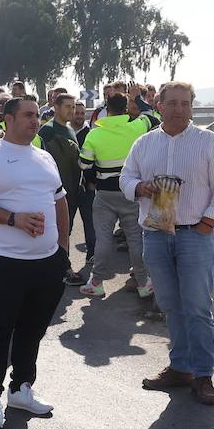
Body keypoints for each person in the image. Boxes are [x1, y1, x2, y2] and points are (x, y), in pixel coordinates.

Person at [121, 81, 214, 407]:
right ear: (159, 105)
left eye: (185, 103)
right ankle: (180, 367)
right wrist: (139, 188)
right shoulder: (144, 143)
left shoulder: (208, 142)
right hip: (156, 234)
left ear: (192, 106)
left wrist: (208, 223)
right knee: (170, 305)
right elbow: (125, 177)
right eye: (172, 103)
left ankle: (203, 376)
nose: (179, 109)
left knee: (198, 308)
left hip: (194, 235)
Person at [0, 95, 70, 428]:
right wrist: (14, 219)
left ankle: (22, 388)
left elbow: (60, 202)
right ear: (7, 119)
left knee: (32, 330)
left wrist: (63, 250)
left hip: (47, 262)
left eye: (36, 115)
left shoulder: (44, 157)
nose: (35, 121)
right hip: (4, 261)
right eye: (27, 115)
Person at [79, 92, 153, 300]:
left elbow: (84, 164)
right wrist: (138, 98)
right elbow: (151, 114)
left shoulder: (94, 134)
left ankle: (96, 283)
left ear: (107, 109)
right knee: (135, 239)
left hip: (105, 194)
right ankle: (143, 283)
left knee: (103, 239)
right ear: (126, 109)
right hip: (132, 192)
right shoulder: (137, 127)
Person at [36, 92, 86, 286]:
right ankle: (63, 269)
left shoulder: (69, 129)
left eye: (73, 107)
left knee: (66, 230)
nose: (71, 111)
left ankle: (61, 267)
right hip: (54, 194)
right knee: (56, 232)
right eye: (67, 107)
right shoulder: (47, 132)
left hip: (71, 191)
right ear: (56, 108)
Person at [70, 99, 97, 261]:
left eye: (82, 113)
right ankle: (63, 258)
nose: (80, 116)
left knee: (90, 222)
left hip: (88, 187)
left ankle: (92, 254)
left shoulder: (91, 133)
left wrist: (92, 182)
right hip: (69, 187)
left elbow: (96, 160)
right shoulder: (64, 132)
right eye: (76, 113)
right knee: (66, 224)